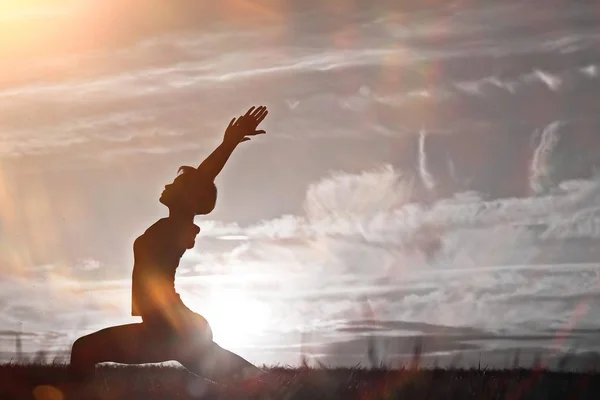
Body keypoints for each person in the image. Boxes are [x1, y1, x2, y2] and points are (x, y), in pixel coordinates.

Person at [68, 105, 269, 386]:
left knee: (84, 349)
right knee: (242, 378)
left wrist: (229, 143)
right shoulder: (170, 225)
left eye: (175, 183)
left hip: (171, 326)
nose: (166, 185)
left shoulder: (179, 225)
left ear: (189, 196)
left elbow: (203, 176)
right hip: (171, 325)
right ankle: (287, 387)